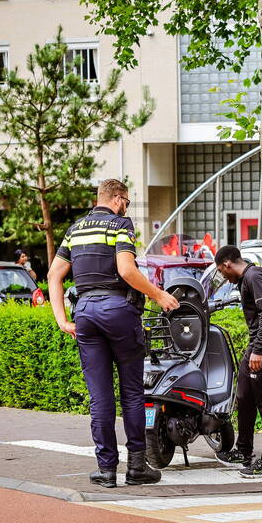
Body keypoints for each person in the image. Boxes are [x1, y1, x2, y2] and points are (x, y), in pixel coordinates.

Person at [48, 179, 179, 487]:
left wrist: (61, 321)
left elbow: (54, 275)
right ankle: (136, 467)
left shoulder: (75, 229)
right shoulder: (119, 224)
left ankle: (106, 469)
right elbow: (126, 270)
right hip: (118, 311)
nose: (126, 207)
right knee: (132, 393)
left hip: (86, 315)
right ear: (119, 200)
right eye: (127, 202)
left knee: (100, 397)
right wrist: (159, 295)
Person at [214, 245, 262, 478]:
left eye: (221, 272)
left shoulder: (254, 276)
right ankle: (244, 450)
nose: (223, 278)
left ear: (227, 264)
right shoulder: (248, 277)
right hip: (258, 346)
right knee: (245, 396)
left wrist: (258, 351)